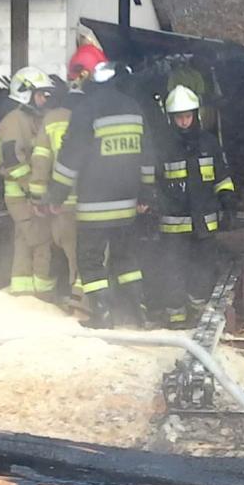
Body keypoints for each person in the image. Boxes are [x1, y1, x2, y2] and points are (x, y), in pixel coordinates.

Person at [46, 61, 156, 328]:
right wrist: (146, 194)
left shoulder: (86, 110)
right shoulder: (133, 108)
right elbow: (148, 156)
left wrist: (56, 196)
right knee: (126, 258)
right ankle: (138, 313)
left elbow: (70, 158)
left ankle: (102, 316)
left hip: (95, 205)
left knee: (91, 260)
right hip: (128, 204)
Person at [151, 84, 237, 326]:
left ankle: (197, 311)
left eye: (188, 116)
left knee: (203, 269)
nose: (184, 122)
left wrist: (228, 201)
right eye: (179, 118)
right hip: (174, 224)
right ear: (170, 119)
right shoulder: (163, 146)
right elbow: (154, 180)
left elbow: (222, 177)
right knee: (173, 269)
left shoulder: (209, 143)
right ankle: (176, 316)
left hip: (204, 223)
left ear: (196, 115)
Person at [28, 45, 107, 302]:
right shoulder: (99, 114)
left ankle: (77, 305)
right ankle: (84, 308)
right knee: (93, 259)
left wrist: (40, 198)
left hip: (61, 206)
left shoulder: (51, 119)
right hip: (95, 203)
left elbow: (41, 160)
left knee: (73, 257)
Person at [0, 66, 54, 296]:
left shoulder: (33, 120)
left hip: (28, 192)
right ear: (24, 92)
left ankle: (22, 292)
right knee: (41, 240)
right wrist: (34, 191)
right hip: (21, 194)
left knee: (24, 239)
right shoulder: (13, 122)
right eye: (40, 94)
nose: (44, 99)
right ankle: (42, 294)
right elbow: (13, 163)